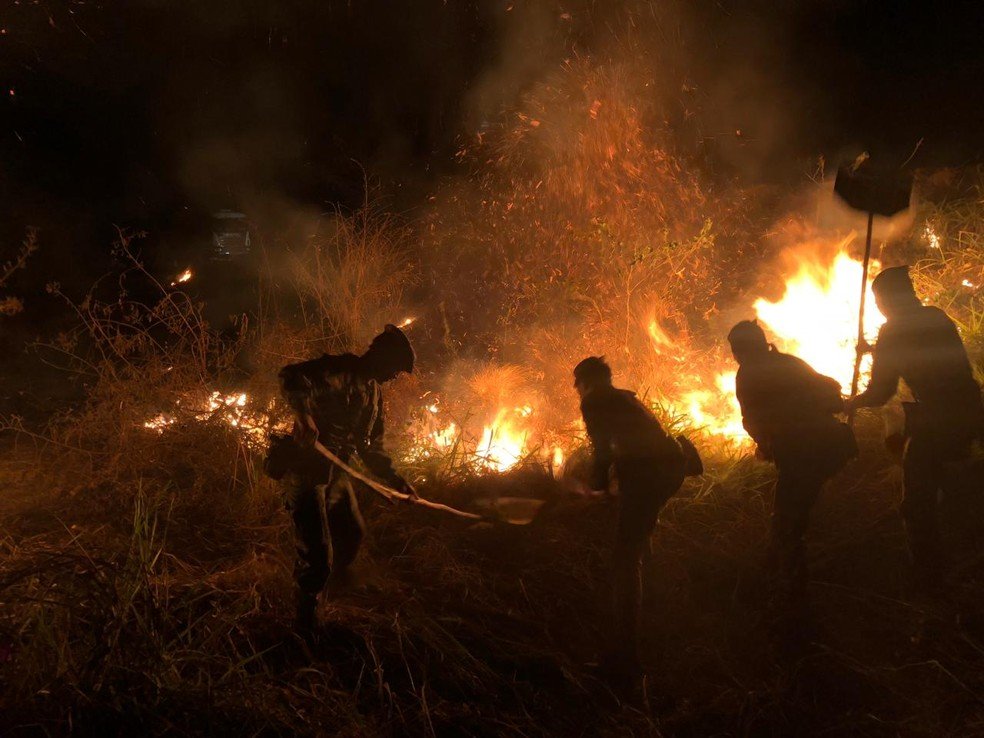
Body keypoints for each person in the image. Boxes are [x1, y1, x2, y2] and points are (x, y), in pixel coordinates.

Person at [269, 325, 418, 635]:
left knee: (352, 533)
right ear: (379, 354)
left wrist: (396, 481)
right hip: (306, 472)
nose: (395, 376)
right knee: (318, 557)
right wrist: (304, 416)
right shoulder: (339, 369)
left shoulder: (374, 395)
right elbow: (290, 376)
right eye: (394, 367)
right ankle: (304, 624)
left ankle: (327, 593)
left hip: (335, 476)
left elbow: (371, 449)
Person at [844, 266, 984, 584]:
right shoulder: (935, 316)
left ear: (886, 300)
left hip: (937, 416)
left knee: (917, 501)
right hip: (970, 405)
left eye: (878, 301)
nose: (879, 306)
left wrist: (851, 403)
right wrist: (875, 349)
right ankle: (968, 538)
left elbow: (881, 392)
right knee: (956, 476)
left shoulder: (892, 331)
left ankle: (929, 576)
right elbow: (923, 350)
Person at [573, 356, 690, 685]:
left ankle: (626, 658)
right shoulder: (624, 398)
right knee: (639, 541)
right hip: (670, 469)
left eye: (577, 383)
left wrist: (596, 487)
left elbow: (603, 451)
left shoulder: (594, 399)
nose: (577, 390)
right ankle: (654, 616)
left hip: (650, 477)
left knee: (624, 561)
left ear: (585, 382)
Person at [728, 320, 855, 602]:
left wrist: (765, 446)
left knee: (788, 521)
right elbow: (833, 396)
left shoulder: (748, 374)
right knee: (805, 505)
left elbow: (753, 420)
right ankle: (802, 566)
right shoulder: (790, 362)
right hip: (835, 444)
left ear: (739, 350)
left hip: (802, 452)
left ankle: (792, 591)